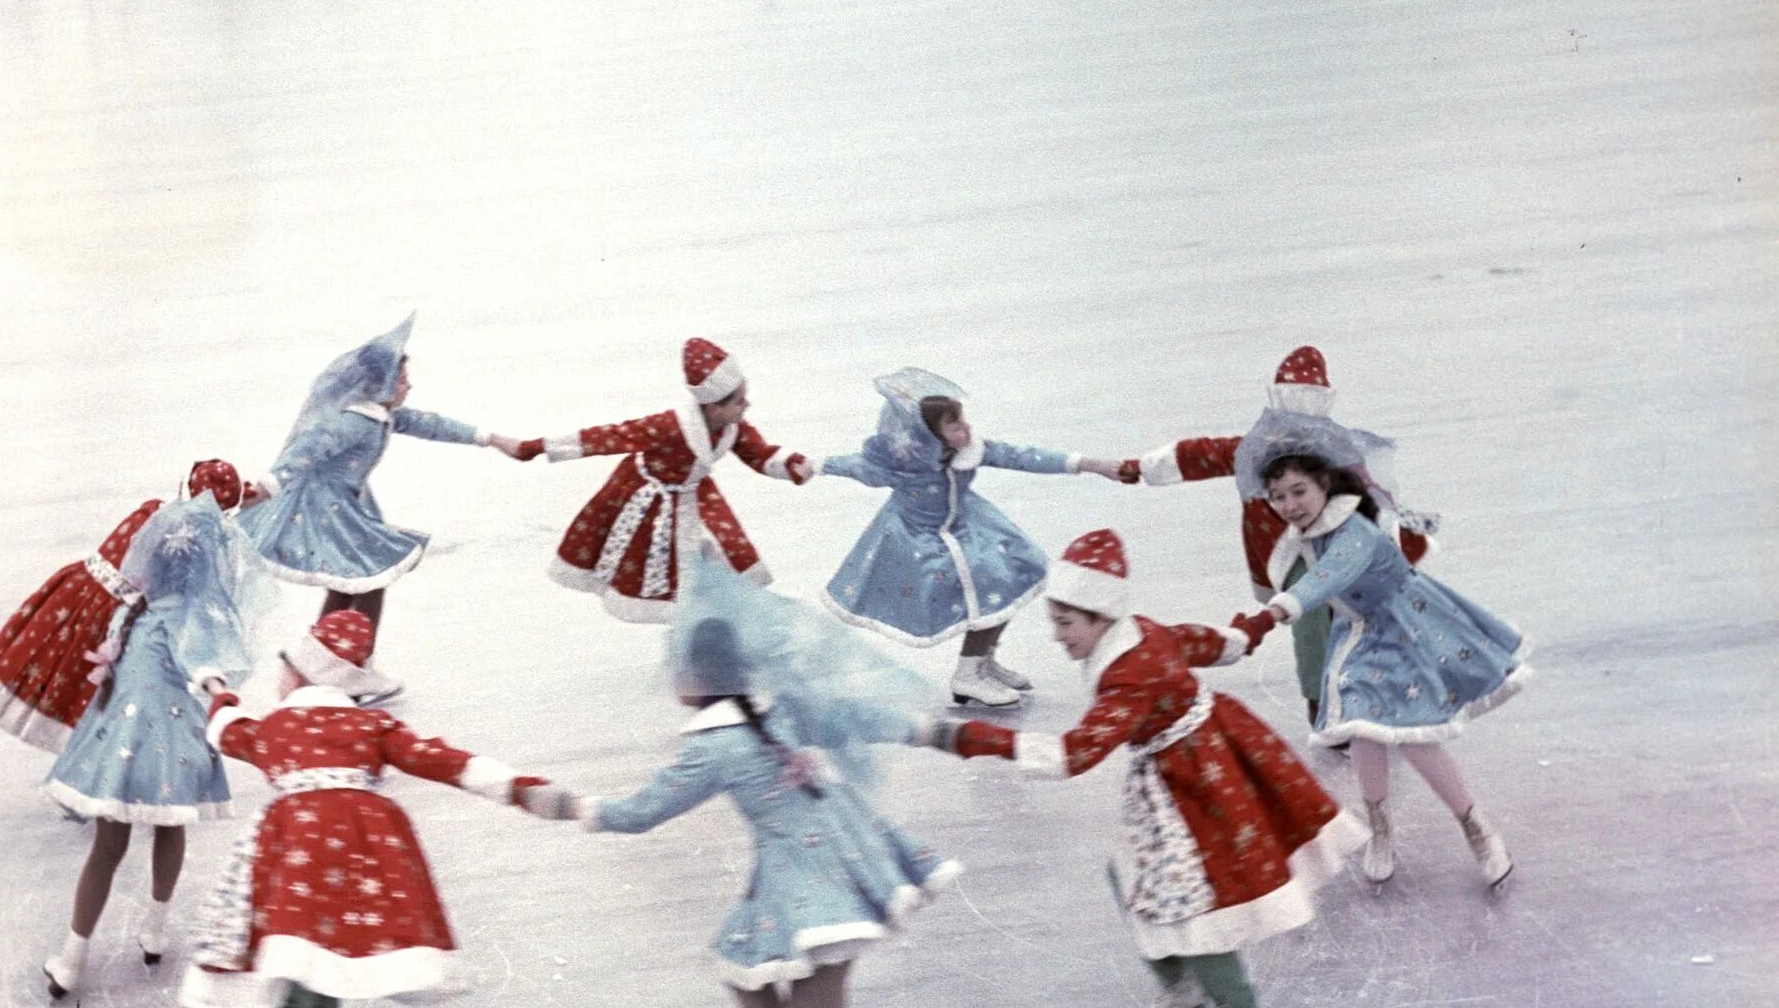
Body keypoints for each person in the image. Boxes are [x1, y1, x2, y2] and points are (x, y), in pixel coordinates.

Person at [517, 557, 971, 1008]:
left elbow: (644, 811)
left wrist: (569, 806)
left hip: (818, 882)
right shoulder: (779, 707)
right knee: (740, 962)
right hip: (843, 856)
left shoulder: (718, 745)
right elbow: (859, 717)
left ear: (692, 679)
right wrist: (940, 733)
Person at [934, 529, 1366, 1008]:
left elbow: (1074, 754)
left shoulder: (1129, 671)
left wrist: (968, 738)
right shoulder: (1138, 635)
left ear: (1100, 618)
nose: (1058, 637)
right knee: (1132, 876)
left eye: (1066, 624)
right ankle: (1183, 988)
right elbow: (1206, 642)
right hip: (1176, 771)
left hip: (1198, 782)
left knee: (1192, 903)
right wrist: (1247, 630)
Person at [179, 610, 554, 1008]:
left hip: (297, 852)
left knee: (280, 983)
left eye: (285, 667)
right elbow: (446, 760)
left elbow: (227, 726)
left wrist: (212, 685)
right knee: (323, 953)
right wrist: (522, 789)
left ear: (300, 675)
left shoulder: (276, 728)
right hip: (363, 852)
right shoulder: (371, 726)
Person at [1239, 453, 1527, 890]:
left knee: (1414, 733)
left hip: (1407, 628)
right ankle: (1380, 825)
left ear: (1324, 485)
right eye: (1278, 496)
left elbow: (1327, 579)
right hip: (1359, 636)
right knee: (1363, 728)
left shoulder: (1355, 532)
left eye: (1299, 492)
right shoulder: (1308, 533)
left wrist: (1267, 618)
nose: (1289, 505)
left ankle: (1475, 825)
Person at [1117, 347, 1435, 736]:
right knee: (1313, 621)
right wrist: (1141, 466)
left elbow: (1371, 493)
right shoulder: (1254, 450)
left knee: (1358, 618)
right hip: (1289, 556)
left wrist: (1391, 532)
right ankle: (1324, 707)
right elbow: (1200, 454)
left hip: (1337, 547)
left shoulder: (1338, 450)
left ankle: (1372, 691)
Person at [39, 492, 271, 998]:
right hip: (172, 747)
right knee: (169, 829)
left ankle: (73, 957)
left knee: (108, 846)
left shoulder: (133, 615)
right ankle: (156, 927)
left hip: (120, 748)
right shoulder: (194, 617)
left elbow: (120, 675)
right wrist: (221, 695)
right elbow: (203, 664)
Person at [235, 315, 524, 698]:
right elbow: (308, 448)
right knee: (370, 579)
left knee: (351, 582)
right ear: (381, 384)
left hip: (346, 506)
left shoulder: (382, 415)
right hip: (326, 508)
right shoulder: (355, 422)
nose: (408, 386)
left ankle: (321, 662)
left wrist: (491, 438)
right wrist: (267, 488)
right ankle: (348, 665)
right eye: (402, 380)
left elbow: (429, 424)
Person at [817, 368, 1124, 706]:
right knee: (988, 587)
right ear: (931, 436)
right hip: (920, 540)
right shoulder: (902, 465)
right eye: (955, 425)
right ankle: (967, 674)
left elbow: (1022, 456)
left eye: (963, 420)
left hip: (969, 527)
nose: (967, 429)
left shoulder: (971, 450)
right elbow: (851, 465)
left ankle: (982, 661)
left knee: (1012, 575)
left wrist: (1091, 464)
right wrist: (806, 464)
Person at [515, 337, 812, 623]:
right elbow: (612, 436)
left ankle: (727, 613)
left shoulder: (732, 427)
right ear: (713, 406)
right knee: (661, 566)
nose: (746, 405)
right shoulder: (670, 426)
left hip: (696, 494)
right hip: (651, 499)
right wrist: (536, 446)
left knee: (729, 549)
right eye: (737, 401)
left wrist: (790, 465)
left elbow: (757, 453)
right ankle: (689, 626)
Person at [0, 459, 254, 754]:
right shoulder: (192, 545)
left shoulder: (155, 509)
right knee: (89, 683)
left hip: (78, 588)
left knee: (57, 662)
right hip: (113, 612)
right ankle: (87, 755)